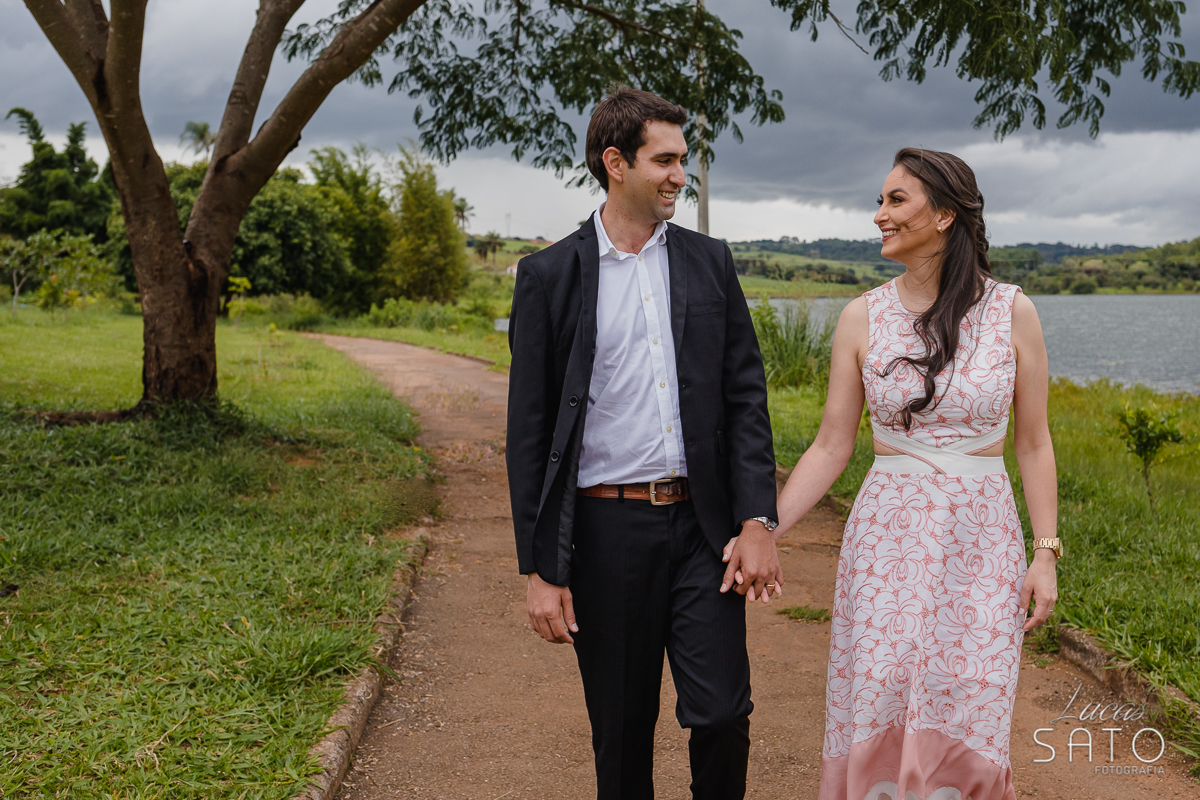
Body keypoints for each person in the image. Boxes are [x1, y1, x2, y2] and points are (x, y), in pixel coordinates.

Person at [505, 86, 781, 800]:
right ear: (615, 162)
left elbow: (745, 397)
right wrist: (540, 568)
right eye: (664, 160)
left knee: (721, 712)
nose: (679, 175)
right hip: (605, 532)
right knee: (622, 734)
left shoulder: (709, 262)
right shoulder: (548, 277)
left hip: (703, 528)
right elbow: (530, 435)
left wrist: (758, 520)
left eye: (683, 160)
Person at [770, 148, 1060, 800]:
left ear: (946, 214)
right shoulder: (860, 317)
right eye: (881, 200)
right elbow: (829, 446)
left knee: (971, 700)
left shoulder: (1013, 312)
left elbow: (1035, 444)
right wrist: (767, 527)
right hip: (887, 541)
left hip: (981, 541)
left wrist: (1045, 554)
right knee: (879, 696)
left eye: (896, 200)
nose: (880, 215)